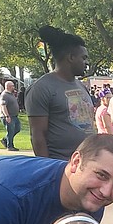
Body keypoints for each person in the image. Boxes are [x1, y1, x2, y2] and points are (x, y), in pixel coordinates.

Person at [28, 25, 95, 159]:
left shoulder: (81, 86)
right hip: (59, 165)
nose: (87, 62)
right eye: (84, 58)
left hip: (86, 163)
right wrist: (47, 168)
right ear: (71, 58)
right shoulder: (42, 88)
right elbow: (38, 135)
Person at [0, 80, 21, 150]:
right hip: (8, 116)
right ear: (8, 87)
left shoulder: (11, 94)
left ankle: (5, 139)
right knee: (10, 131)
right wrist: (7, 116)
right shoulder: (4, 95)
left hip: (14, 116)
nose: (14, 87)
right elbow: (3, 106)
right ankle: (10, 146)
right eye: (12, 86)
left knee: (17, 129)